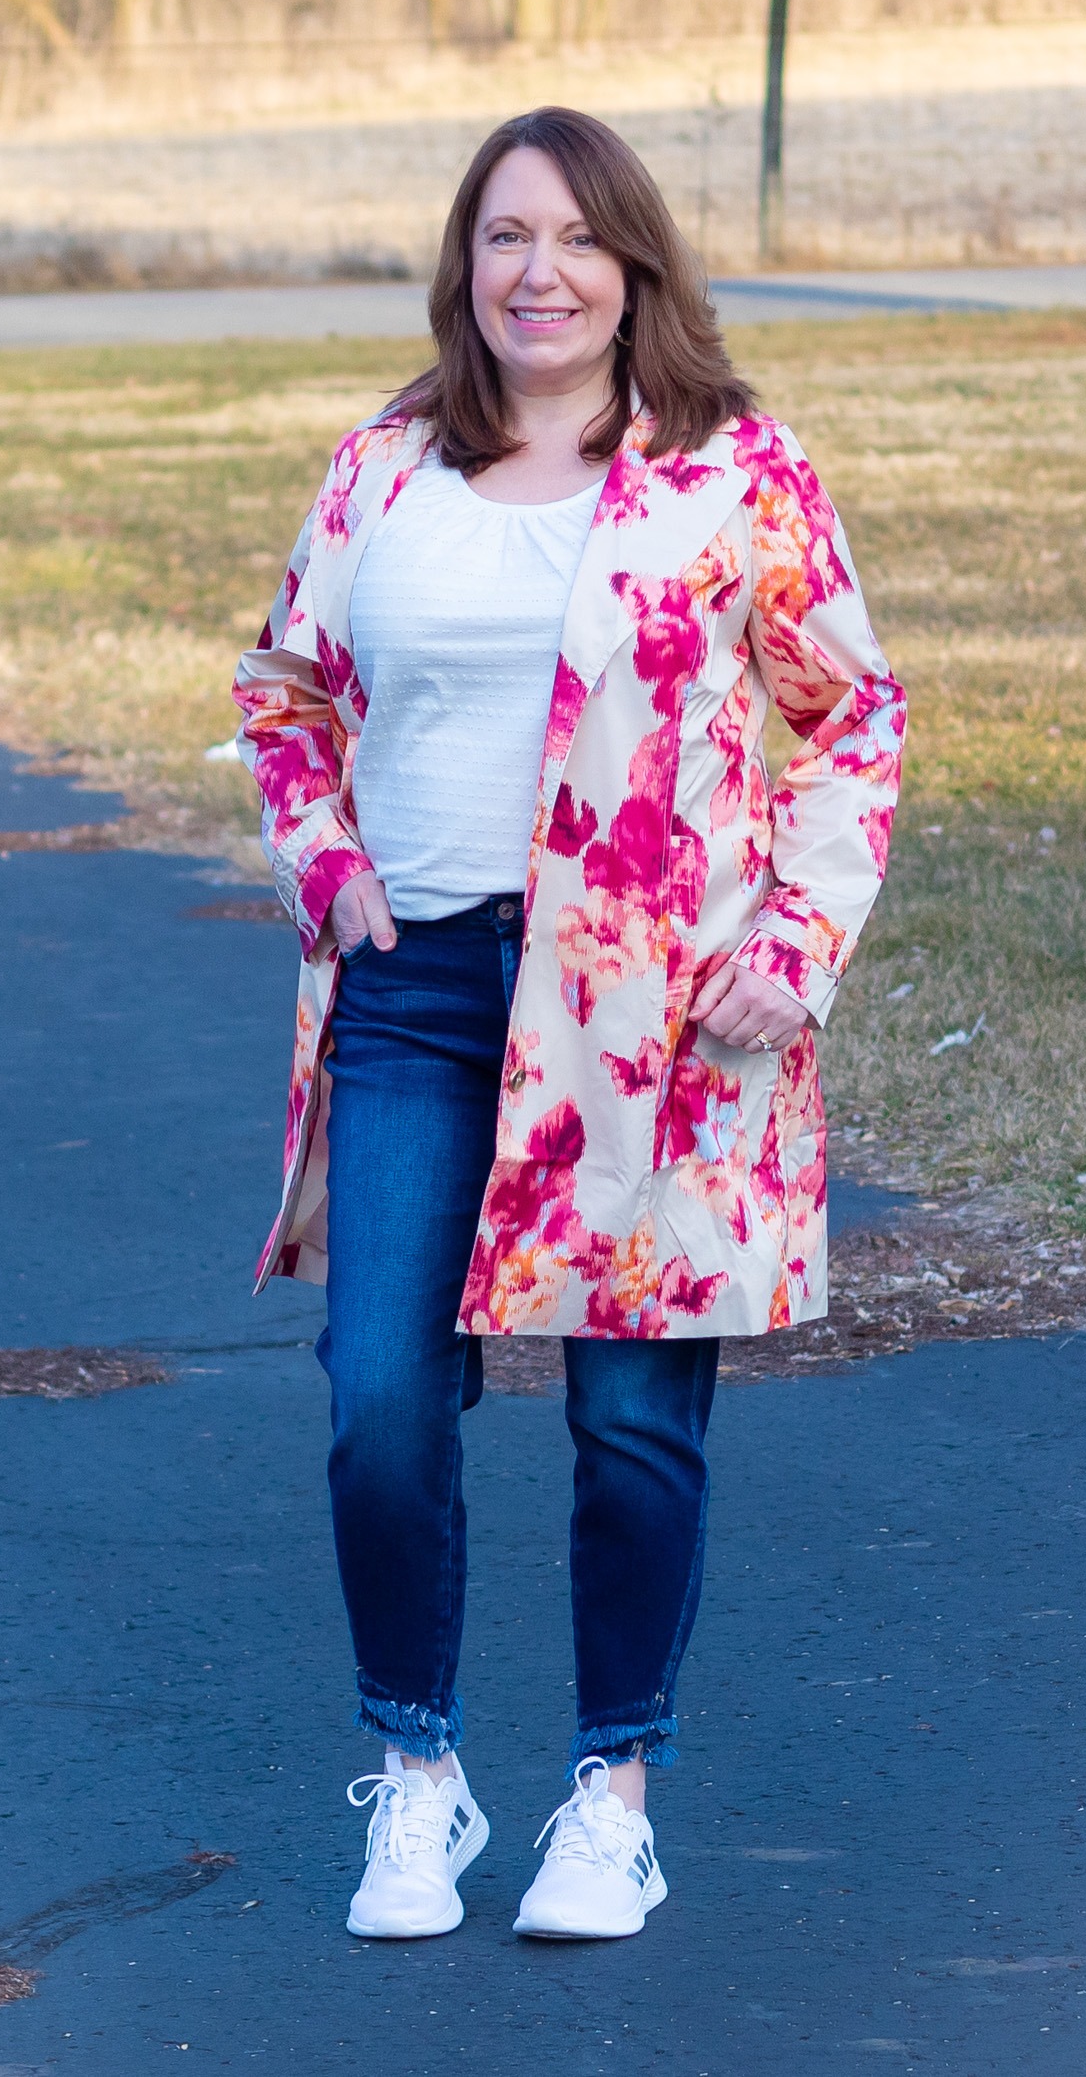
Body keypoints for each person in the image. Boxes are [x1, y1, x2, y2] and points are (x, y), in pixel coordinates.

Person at [233, 106, 905, 1943]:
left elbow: (851, 721)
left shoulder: (732, 474)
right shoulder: (383, 468)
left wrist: (799, 938)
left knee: (629, 1416)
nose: (540, 273)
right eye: (504, 237)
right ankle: (421, 1781)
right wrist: (325, 861)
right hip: (419, 988)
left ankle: (608, 1797)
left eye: (577, 241)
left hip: (645, 1016)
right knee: (380, 1395)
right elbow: (285, 691)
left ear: (636, 269)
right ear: (464, 264)